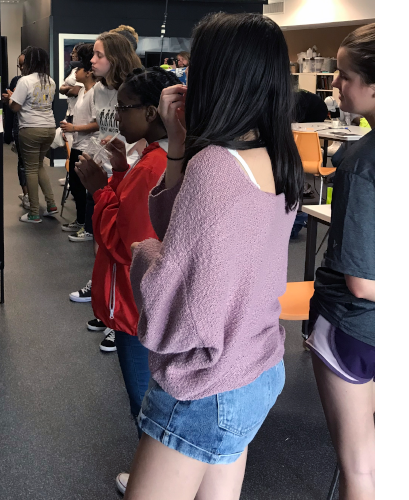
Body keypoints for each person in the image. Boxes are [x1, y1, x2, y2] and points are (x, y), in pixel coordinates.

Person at [124, 13, 303, 499]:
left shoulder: (216, 169)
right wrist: (180, 145)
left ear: (216, 76)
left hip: (208, 382)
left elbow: (174, 303)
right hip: (257, 363)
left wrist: (144, 255)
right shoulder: (278, 157)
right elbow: (193, 241)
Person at [74, 67, 181, 494]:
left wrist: (100, 189)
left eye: (125, 108)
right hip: (147, 303)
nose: (117, 116)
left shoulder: (153, 165)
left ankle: (155, 480)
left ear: (152, 112)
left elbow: (124, 245)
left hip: (135, 307)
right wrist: (118, 172)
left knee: (144, 401)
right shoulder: (161, 158)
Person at [308, 23, 375, 500]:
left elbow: (362, 283)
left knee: (358, 469)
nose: (335, 84)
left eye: (345, 75)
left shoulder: (360, 162)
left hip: (352, 326)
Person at [67, 31, 144, 347]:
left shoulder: (137, 87)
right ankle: (106, 298)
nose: (92, 61)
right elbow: (105, 127)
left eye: (98, 55)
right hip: (106, 168)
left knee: (125, 242)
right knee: (101, 234)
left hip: (132, 171)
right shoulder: (97, 90)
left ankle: (122, 315)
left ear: (115, 57)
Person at [3, 47, 58, 223]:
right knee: (40, 166)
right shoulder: (50, 81)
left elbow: (15, 107)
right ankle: (51, 204)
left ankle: (34, 212)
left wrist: (10, 99)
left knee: (31, 169)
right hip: (49, 128)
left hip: (30, 129)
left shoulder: (24, 81)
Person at [58, 44, 99, 233]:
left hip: (88, 147)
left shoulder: (95, 94)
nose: (76, 73)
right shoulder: (82, 91)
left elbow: (98, 124)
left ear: (89, 72)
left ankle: (87, 226)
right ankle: (81, 220)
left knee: (86, 189)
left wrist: (74, 127)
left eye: (79, 69)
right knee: (75, 185)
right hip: (78, 143)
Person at [7, 51, 29, 208]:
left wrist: (15, 98)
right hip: (18, 125)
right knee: (22, 162)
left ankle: (33, 197)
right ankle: (28, 194)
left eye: (24, 64)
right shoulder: (16, 80)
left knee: (32, 165)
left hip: (30, 127)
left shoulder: (39, 82)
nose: (21, 68)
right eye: (19, 65)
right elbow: (12, 105)